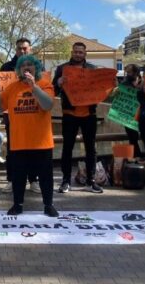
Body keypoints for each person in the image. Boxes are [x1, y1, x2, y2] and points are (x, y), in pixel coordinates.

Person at [0, 54, 58, 217]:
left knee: (45, 177)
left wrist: (34, 86)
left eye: (30, 65)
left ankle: (48, 205)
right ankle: (18, 204)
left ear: (36, 68)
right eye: (23, 66)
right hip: (19, 142)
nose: (26, 67)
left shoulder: (45, 84)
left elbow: (47, 105)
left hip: (41, 142)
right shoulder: (12, 87)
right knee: (18, 176)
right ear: (19, 70)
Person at [52, 42, 102, 194]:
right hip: (69, 114)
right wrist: (58, 83)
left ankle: (91, 181)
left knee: (91, 149)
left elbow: (101, 89)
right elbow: (53, 90)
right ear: (72, 52)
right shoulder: (62, 69)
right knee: (67, 148)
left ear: (85, 54)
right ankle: (66, 181)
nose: (78, 54)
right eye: (76, 52)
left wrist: (111, 85)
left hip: (89, 114)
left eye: (81, 52)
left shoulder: (93, 69)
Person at [0, 38, 40, 194]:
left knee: (34, 149)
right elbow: (2, 93)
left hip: (33, 115)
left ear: (30, 49)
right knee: (12, 149)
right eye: (19, 49)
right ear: (15, 50)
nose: (22, 51)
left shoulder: (37, 67)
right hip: (13, 116)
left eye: (25, 48)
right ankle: (12, 180)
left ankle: (34, 180)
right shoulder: (6, 67)